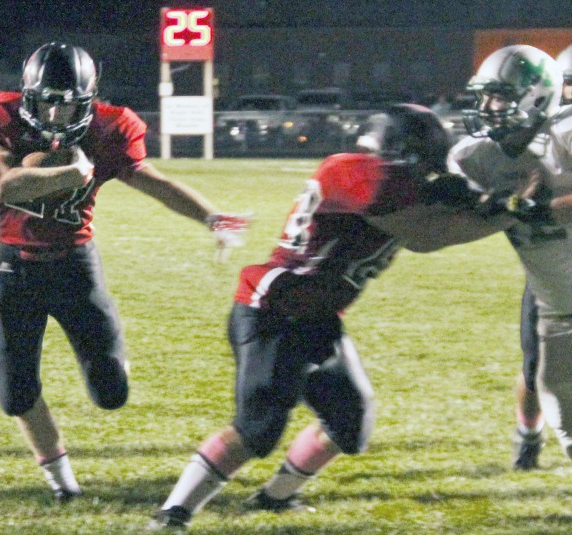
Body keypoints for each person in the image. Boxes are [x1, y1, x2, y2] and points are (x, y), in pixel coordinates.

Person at [148, 103, 528, 530]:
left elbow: (429, 208)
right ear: (402, 154)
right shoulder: (359, 172)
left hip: (317, 315)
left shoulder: (386, 177)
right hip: (274, 310)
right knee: (257, 430)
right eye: (423, 164)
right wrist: (512, 208)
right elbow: (425, 234)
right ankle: (173, 514)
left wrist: (472, 195)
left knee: (349, 421)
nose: (428, 175)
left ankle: (274, 499)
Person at [0, 41, 251, 502]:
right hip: (13, 268)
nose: (56, 115)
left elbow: (154, 182)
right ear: (27, 96)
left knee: (111, 393)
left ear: (87, 100)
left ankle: (111, 353)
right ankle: (63, 485)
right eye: (46, 101)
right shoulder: (1, 117)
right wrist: (70, 174)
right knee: (15, 393)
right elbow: (3, 188)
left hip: (75, 267)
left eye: (66, 104)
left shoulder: (110, 127)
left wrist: (211, 217)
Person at [448, 45, 572, 471]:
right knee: (542, 372)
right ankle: (528, 436)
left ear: (535, 97)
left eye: (498, 96)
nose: (486, 107)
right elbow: (455, 214)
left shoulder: (567, 133)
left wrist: (545, 208)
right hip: (552, 286)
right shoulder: (475, 157)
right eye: (484, 97)